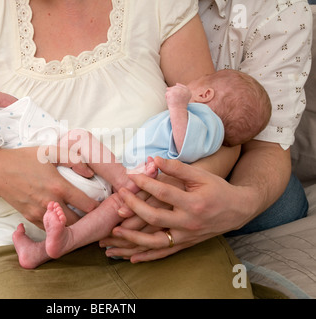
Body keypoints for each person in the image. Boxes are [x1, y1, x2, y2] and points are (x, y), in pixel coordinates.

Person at [0, 0, 303, 298]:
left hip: (152, 238)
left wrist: (191, 193)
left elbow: (217, 133)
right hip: (20, 252)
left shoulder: (163, 7)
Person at [0, 69, 272, 269]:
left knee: (106, 204)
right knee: (103, 184)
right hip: (51, 165)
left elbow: (21, 110)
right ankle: (117, 188)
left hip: (65, 159)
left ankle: (58, 242)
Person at [101, 0, 311, 263]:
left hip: (201, 153)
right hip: (146, 143)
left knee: (284, 205)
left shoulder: (280, 10)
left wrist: (221, 199)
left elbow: (266, 145)